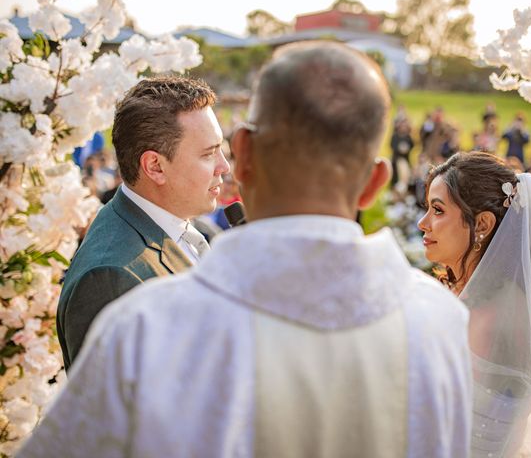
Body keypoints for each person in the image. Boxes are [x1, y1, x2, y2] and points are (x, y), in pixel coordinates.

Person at [20, 42, 472, 458]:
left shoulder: (141, 329)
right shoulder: (442, 321)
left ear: (244, 154)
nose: (221, 167)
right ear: (375, 183)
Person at [417, 152, 531, 457]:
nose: (423, 223)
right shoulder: (491, 301)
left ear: (482, 224)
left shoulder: (491, 317)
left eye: (437, 210)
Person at [55, 76, 230, 370]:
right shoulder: (111, 276)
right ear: (155, 166)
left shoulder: (172, 223)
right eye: (208, 154)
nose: (224, 166)